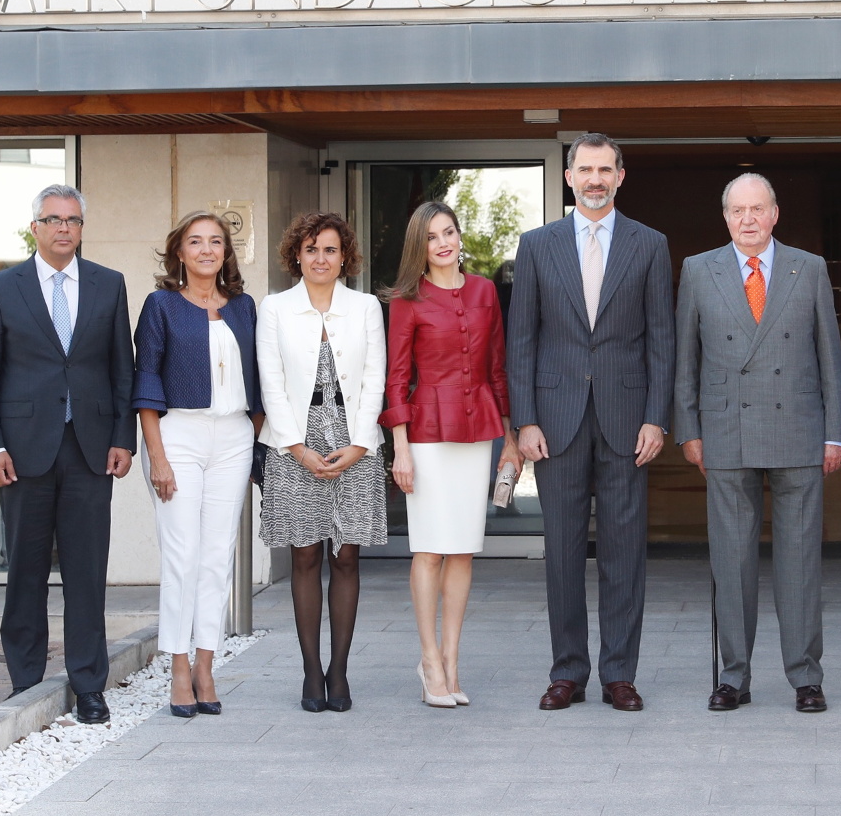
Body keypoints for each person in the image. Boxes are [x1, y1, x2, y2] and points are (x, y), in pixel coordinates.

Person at [507, 132, 675, 712]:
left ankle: (619, 674)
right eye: (586, 169)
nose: (596, 179)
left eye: (606, 169)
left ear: (621, 176)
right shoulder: (537, 245)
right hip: (554, 421)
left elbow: (662, 339)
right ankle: (568, 672)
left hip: (628, 420)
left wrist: (657, 417)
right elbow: (522, 339)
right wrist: (523, 419)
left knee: (625, 552)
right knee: (562, 552)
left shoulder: (650, 245)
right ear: (569, 176)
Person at [673, 173, 841, 713]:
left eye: (757, 209)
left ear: (775, 213)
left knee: (800, 564)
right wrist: (690, 429)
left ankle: (805, 677)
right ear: (725, 218)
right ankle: (733, 676)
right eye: (737, 211)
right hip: (725, 430)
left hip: (797, 427)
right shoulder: (698, 271)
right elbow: (686, 360)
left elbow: (830, 362)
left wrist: (835, 432)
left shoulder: (809, 267)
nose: (747, 219)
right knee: (731, 563)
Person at [0, 183, 136, 725]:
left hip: (91, 450)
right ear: (35, 228)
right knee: (25, 570)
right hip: (21, 452)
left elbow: (121, 371)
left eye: (73, 220)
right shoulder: (1, 287)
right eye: (53, 219)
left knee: (87, 571)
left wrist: (122, 438)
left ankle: (90, 684)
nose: (64, 228)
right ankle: (25, 682)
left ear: (82, 228)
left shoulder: (109, 285)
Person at [382, 201, 522, 708]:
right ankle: (429, 660)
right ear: (419, 247)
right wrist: (399, 449)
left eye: (449, 232)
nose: (443, 242)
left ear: (460, 236)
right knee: (429, 549)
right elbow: (396, 378)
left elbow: (498, 368)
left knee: (463, 549)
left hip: (477, 427)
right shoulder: (407, 300)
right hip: (425, 434)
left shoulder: (486, 291)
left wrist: (509, 436)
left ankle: (453, 661)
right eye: (432, 236)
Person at [257, 213, 387, 713]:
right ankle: (312, 671)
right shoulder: (275, 308)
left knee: (346, 557)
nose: (320, 258)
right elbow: (270, 381)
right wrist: (296, 447)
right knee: (306, 555)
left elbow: (376, 378)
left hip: (355, 441)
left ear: (344, 257)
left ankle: (340, 670)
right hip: (295, 442)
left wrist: (359, 443)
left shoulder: (366, 307)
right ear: (297, 254)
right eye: (311, 249)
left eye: (330, 250)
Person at [134, 211, 261, 717]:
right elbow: (145, 382)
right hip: (179, 436)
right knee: (181, 556)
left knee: (217, 556)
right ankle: (179, 667)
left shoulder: (244, 307)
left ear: (226, 252)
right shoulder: (161, 305)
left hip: (234, 435)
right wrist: (157, 458)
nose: (207, 249)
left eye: (216, 241)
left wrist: (254, 440)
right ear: (180, 253)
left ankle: (208, 663)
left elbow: (260, 378)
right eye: (195, 242)